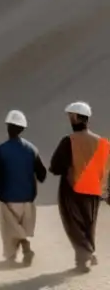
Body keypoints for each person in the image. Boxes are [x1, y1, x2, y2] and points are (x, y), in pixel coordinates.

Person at [50, 101, 109, 273]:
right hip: (94, 191)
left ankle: (85, 256)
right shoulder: (102, 143)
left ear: (76, 117)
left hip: (72, 189)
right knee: (89, 223)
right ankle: (87, 255)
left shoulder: (69, 141)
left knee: (73, 224)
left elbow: (56, 166)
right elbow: (107, 169)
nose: (69, 119)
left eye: (70, 116)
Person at [0, 110, 46, 266]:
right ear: (22, 129)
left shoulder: (1, 149)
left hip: (7, 197)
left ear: (8, 128)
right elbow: (42, 175)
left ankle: (19, 251)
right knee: (22, 227)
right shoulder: (32, 149)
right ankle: (23, 249)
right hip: (28, 197)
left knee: (9, 229)